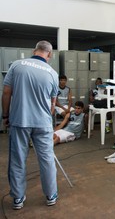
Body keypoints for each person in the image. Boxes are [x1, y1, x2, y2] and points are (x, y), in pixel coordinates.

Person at [2, 40, 58, 209]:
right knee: (47, 159)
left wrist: (5, 116)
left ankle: (18, 198)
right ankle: (51, 196)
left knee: (18, 159)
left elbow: (6, 93)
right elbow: (52, 104)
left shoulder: (17, 65)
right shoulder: (52, 73)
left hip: (20, 120)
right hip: (43, 123)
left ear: (35, 51)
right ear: (49, 54)